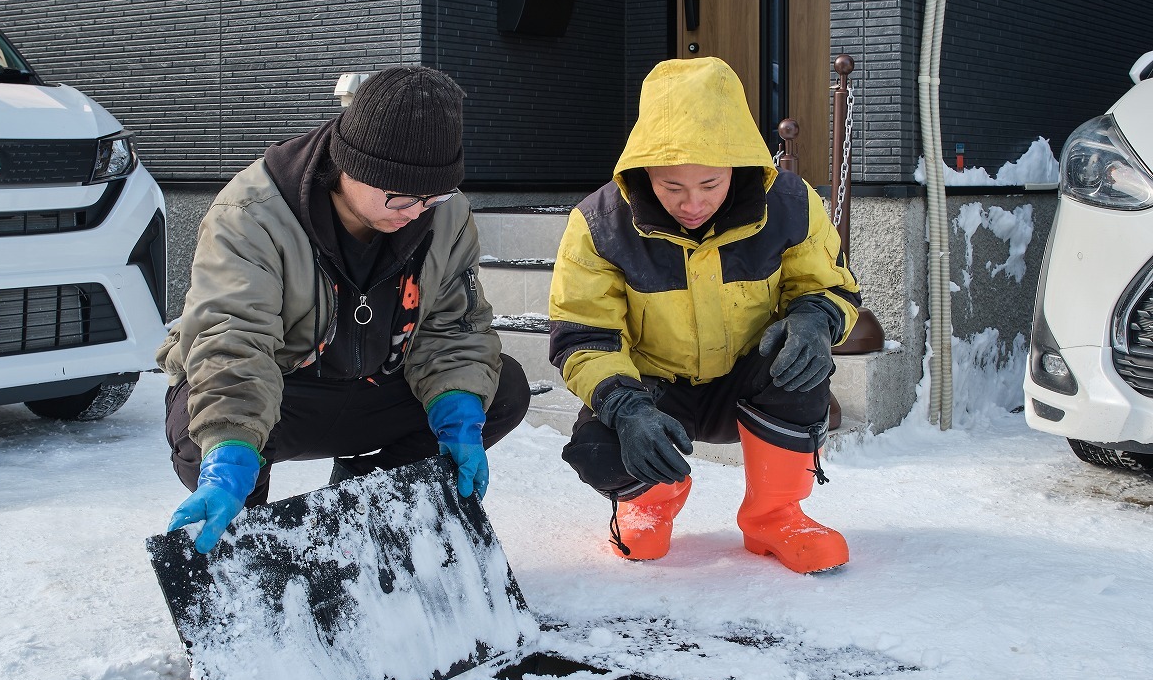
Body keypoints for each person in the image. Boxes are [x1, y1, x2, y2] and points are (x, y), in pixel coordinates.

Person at [159, 65, 530, 554]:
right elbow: (232, 340)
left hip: (378, 387)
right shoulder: (253, 214)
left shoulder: (445, 214)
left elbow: (453, 326)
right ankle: (247, 538)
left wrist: (459, 418)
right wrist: (229, 456)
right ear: (351, 165)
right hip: (288, 396)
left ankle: (371, 492)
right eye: (401, 196)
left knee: (499, 388)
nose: (417, 211)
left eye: (433, 196)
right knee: (199, 426)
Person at [547, 57, 862, 573]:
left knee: (805, 362)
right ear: (644, 170)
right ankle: (649, 506)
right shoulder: (598, 224)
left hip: (749, 382)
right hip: (656, 394)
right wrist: (627, 408)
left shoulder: (789, 204)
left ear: (736, 167)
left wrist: (815, 319)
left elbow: (828, 285)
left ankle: (776, 514)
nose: (692, 204)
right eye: (672, 188)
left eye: (710, 185)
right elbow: (584, 336)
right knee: (598, 446)